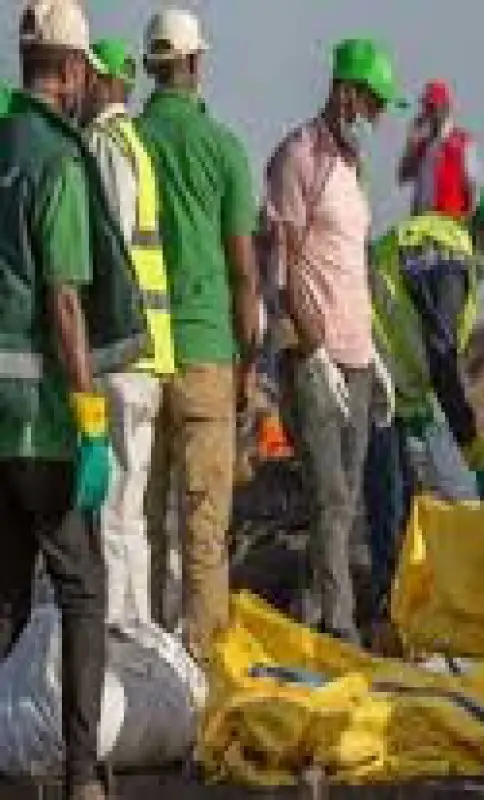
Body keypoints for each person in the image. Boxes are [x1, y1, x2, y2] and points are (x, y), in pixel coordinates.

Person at [0, 2, 148, 796]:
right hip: (44, 423)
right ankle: (82, 776)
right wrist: (91, 416)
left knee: (4, 599)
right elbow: (64, 298)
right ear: (69, 68)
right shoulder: (59, 160)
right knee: (83, 590)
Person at [264, 38, 402, 644]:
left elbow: (350, 264)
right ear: (345, 93)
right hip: (314, 359)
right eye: (370, 103)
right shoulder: (300, 156)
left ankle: (314, 618)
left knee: (345, 508)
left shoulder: (352, 167)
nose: (374, 117)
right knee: (329, 496)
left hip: (357, 357)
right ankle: (339, 629)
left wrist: (372, 351)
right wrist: (310, 349)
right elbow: (282, 264)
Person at [138, 8, 261, 660]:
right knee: (205, 532)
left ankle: (144, 667)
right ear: (194, 64)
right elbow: (244, 269)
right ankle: (207, 677)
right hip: (208, 352)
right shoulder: (222, 148)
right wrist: (249, 361)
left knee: (141, 527)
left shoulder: (127, 142)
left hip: (137, 354)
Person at [366, 181, 484, 618]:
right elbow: (441, 356)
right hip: (367, 376)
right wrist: (475, 452)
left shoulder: (443, 247)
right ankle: (389, 609)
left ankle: (395, 599)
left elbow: (419, 336)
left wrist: (420, 410)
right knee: (388, 500)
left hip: (387, 384)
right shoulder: (450, 263)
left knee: (400, 498)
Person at [83, 37, 176, 627]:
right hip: (150, 354)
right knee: (133, 507)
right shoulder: (137, 145)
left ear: (103, 81)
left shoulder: (102, 143)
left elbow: (106, 245)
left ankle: (117, 625)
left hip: (118, 351)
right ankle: (136, 622)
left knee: (111, 504)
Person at [397, 79, 483, 220]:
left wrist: (469, 224)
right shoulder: (422, 144)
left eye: (432, 106)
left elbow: (473, 187)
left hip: (449, 226)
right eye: (426, 107)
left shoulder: (462, 143)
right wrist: (411, 141)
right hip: (421, 224)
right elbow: (403, 177)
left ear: (445, 108)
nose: (428, 112)